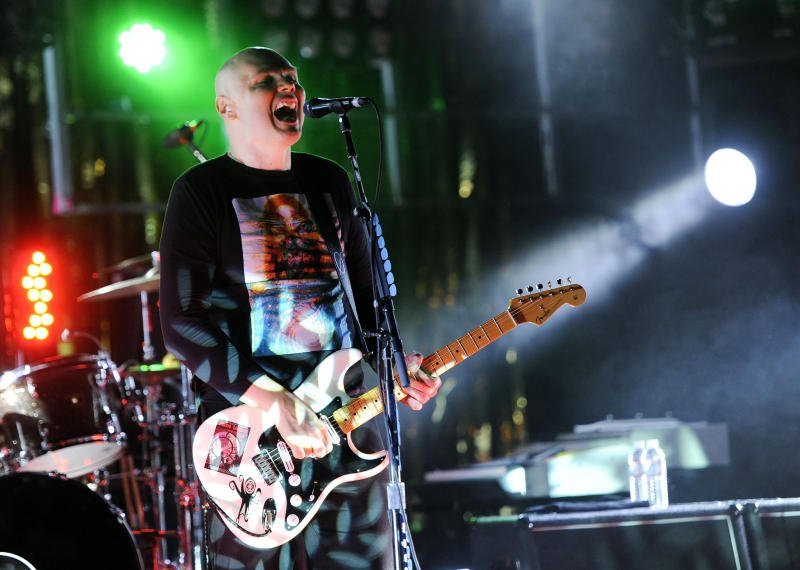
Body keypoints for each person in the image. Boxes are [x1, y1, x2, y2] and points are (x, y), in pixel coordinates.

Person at [159, 46, 441, 569]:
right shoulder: (200, 192)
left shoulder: (328, 182)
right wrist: (275, 402)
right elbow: (181, 324)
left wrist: (393, 364)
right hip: (251, 449)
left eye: (292, 79)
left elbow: (365, 300)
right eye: (267, 81)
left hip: (348, 430)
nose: (289, 88)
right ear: (226, 107)